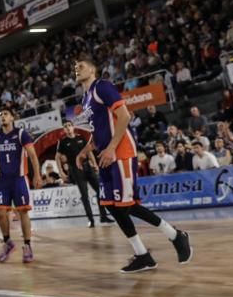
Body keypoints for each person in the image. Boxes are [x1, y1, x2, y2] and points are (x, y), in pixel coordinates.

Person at [73, 58, 192, 273]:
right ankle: (142, 255)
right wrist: (85, 151)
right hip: (106, 155)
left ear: (93, 69)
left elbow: (124, 116)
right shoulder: (86, 97)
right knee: (111, 204)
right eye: (75, 67)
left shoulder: (102, 86)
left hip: (121, 153)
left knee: (126, 205)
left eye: (81, 66)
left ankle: (175, 235)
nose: (76, 69)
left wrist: (110, 148)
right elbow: (98, 131)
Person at [0, 107, 42, 260]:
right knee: (0, 212)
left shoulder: (21, 134)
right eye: (0, 115)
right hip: (2, 180)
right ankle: (8, 242)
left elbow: (33, 156)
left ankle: (27, 245)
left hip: (19, 178)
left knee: (23, 211)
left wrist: (37, 174)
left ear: (12, 118)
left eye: (5, 114)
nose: (2, 117)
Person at [55, 121, 111, 227]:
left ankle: (103, 217)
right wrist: (61, 172)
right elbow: (57, 157)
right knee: (84, 195)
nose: (67, 128)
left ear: (73, 127)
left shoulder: (81, 138)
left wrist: (94, 164)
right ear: (64, 130)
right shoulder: (62, 142)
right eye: (65, 127)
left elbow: (89, 152)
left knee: (100, 191)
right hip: (75, 169)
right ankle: (91, 220)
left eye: (69, 125)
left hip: (87, 167)